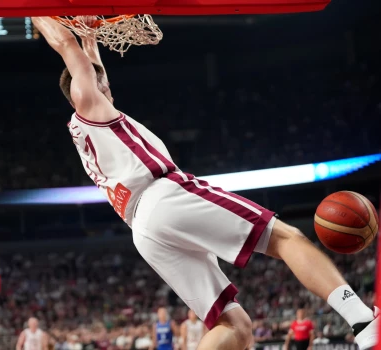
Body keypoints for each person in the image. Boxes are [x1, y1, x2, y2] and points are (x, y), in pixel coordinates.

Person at [32, 16, 379, 350]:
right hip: (163, 196)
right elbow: (65, 44)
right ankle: (363, 321)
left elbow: (93, 69)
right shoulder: (90, 104)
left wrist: (89, 36)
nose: (107, 84)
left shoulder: (89, 127)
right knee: (286, 238)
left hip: (144, 232)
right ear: (88, 87)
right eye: (100, 81)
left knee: (235, 328)